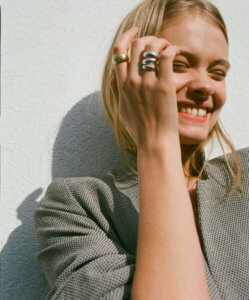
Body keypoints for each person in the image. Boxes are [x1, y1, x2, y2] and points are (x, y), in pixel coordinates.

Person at [33, 0, 249, 299]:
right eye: (179, 64)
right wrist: (157, 142)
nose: (205, 86)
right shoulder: (78, 209)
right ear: (126, 78)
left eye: (217, 73)